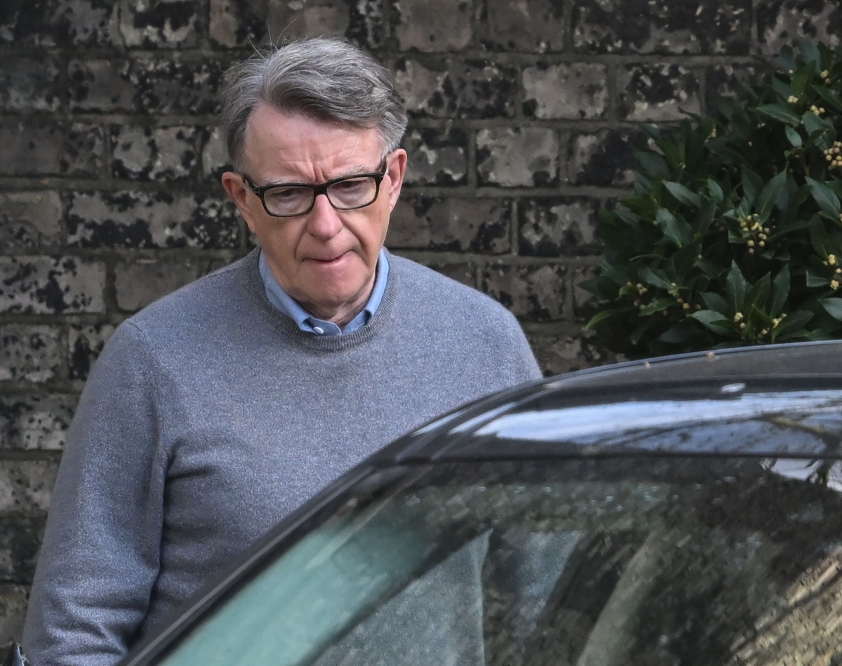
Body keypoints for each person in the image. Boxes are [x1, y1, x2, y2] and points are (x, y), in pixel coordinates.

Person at [22, 37, 541, 665]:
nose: (325, 224)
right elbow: (75, 631)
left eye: (351, 185)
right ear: (241, 197)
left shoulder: (485, 347)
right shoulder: (152, 363)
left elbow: (544, 604)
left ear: (395, 179)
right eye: (290, 194)